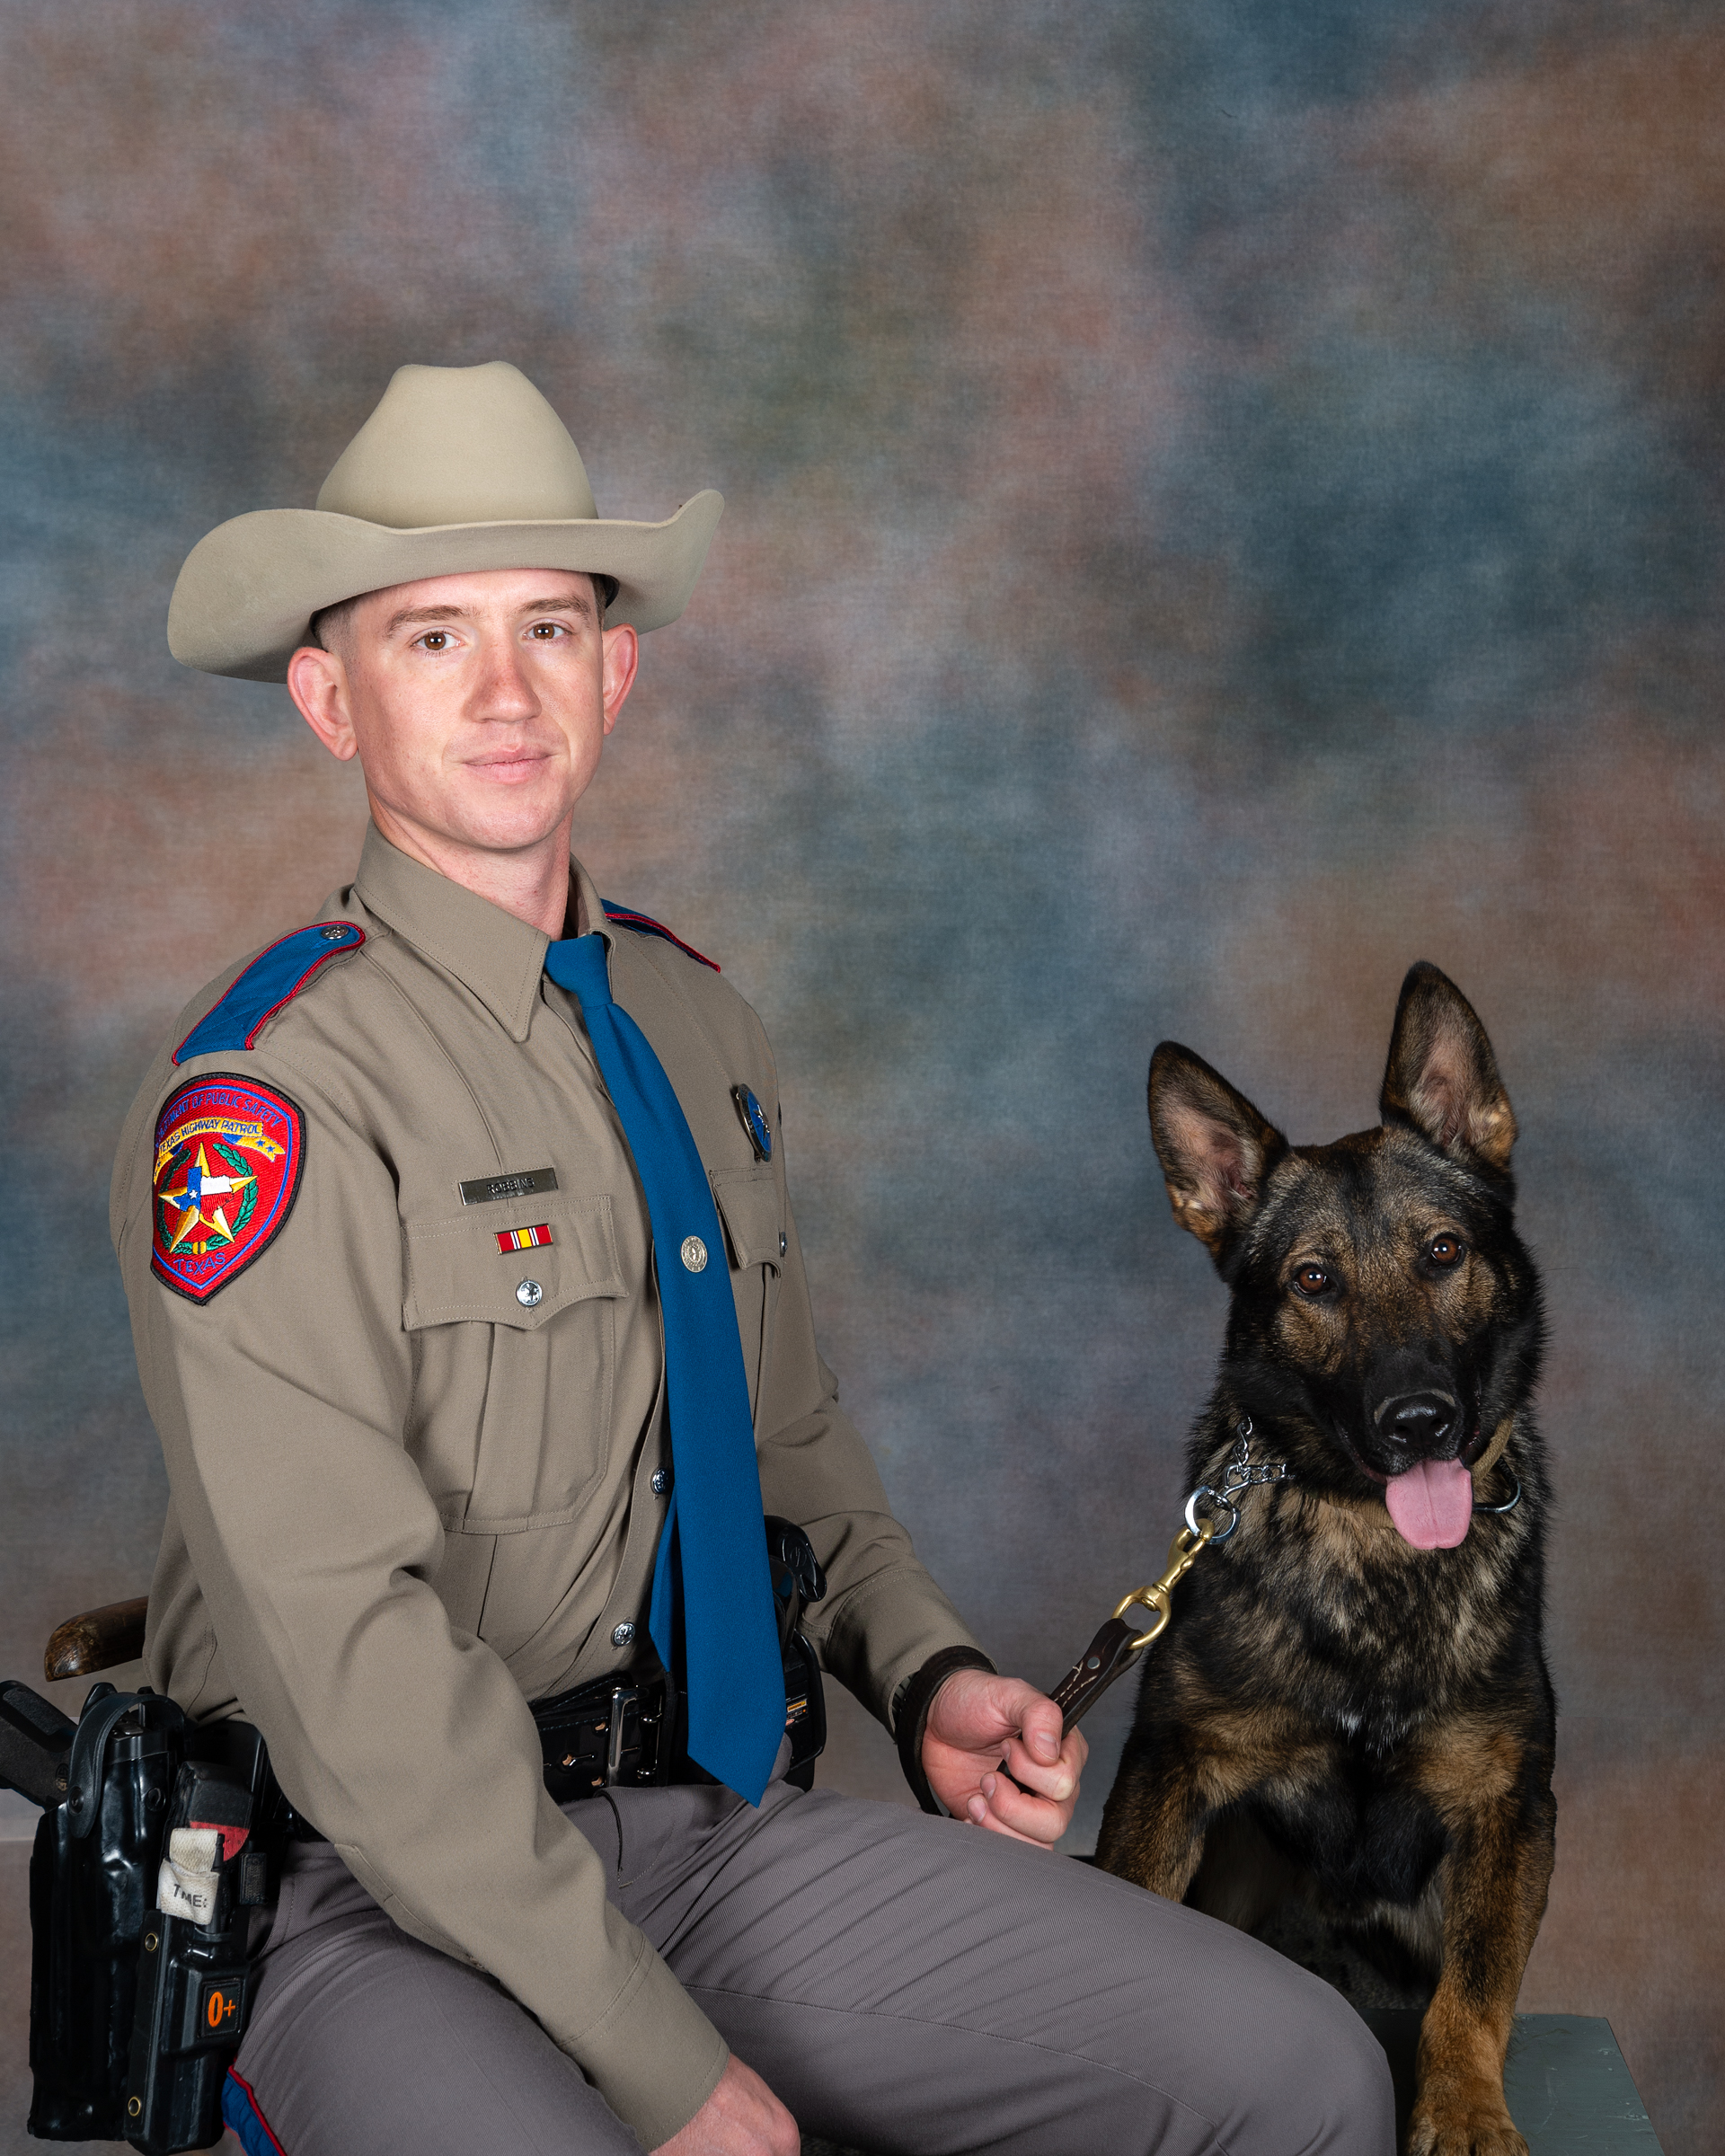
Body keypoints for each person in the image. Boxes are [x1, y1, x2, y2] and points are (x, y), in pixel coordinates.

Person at [112, 361, 1393, 2155]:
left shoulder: (694, 1024)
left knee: (1297, 2073)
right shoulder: (272, 1098)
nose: (503, 693)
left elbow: (785, 1445)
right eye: (430, 640)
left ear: (614, 672)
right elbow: (353, 1680)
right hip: (355, 1883)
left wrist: (929, 1677)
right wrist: (671, 2069)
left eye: (549, 628)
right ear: (329, 698)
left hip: (697, 1830)